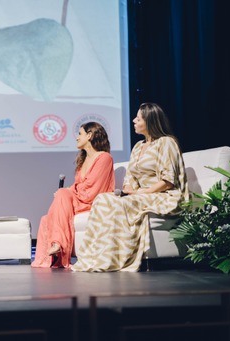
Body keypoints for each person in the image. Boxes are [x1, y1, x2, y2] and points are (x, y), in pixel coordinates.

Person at [72, 103, 189, 272]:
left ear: (150, 121)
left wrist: (140, 192)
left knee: (121, 204)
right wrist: (128, 190)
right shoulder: (138, 147)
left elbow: (167, 181)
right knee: (103, 199)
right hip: (141, 195)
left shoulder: (166, 143)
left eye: (138, 118)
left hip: (164, 195)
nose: (134, 120)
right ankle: (94, 256)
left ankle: (114, 258)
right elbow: (130, 178)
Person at [31, 122, 115, 269]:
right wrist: (67, 192)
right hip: (79, 201)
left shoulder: (104, 158)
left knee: (63, 193)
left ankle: (58, 243)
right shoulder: (83, 161)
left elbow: (92, 190)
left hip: (92, 202)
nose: (77, 138)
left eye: (80, 134)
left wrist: (68, 192)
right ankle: (52, 256)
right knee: (46, 218)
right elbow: (78, 187)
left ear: (90, 136)